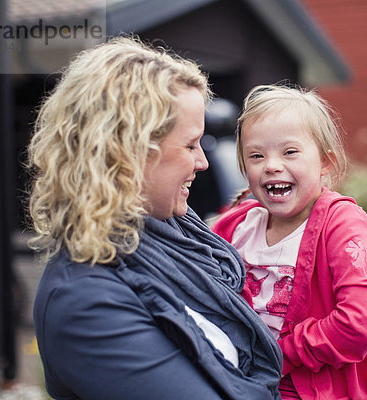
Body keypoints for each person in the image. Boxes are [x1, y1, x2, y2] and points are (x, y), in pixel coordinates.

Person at [27, 37, 282, 400]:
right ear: (129, 152)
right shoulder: (84, 303)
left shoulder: (173, 239)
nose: (203, 162)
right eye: (190, 144)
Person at [211, 84, 367, 399]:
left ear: (325, 162)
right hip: (248, 380)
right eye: (256, 155)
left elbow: (360, 322)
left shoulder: (340, 223)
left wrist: (277, 355)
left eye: (289, 152)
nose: (271, 165)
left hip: (322, 387)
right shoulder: (236, 227)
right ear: (244, 168)